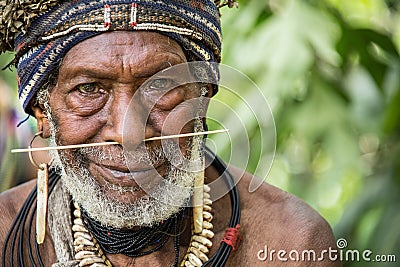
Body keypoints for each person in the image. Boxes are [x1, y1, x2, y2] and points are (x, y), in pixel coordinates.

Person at [0, 0, 340, 266]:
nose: (126, 132)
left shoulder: (291, 244)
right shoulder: (6, 238)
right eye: (89, 89)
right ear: (42, 111)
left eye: (160, 86)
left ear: (202, 95)